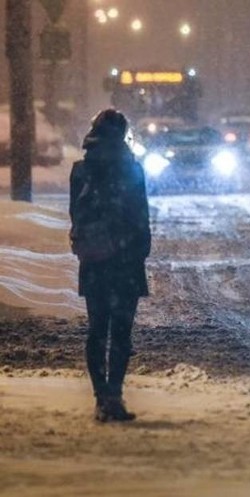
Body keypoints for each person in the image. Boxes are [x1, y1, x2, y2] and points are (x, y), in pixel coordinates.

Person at [69, 109, 151, 422]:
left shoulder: (81, 170)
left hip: (95, 258)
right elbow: (141, 217)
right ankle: (114, 394)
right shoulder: (132, 169)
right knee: (121, 331)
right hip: (126, 260)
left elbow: (75, 215)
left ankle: (100, 395)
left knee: (96, 329)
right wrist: (140, 251)